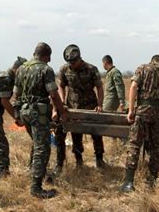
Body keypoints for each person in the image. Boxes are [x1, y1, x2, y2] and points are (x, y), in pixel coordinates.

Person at [120, 55, 159, 192]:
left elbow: (133, 87)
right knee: (156, 148)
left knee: (134, 145)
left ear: (152, 61)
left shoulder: (142, 69)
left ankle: (129, 182)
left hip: (142, 113)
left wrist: (131, 110)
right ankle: (152, 182)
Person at [14, 42, 67, 199]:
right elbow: (53, 93)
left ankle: (33, 170)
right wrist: (62, 111)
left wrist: (17, 115)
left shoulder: (21, 69)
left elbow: (16, 94)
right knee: (42, 148)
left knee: (36, 144)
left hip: (24, 111)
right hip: (38, 113)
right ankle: (36, 187)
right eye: (49, 57)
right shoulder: (45, 69)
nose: (50, 60)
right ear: (46, 55)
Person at [54, 44, 105, 174]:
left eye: (74, 62)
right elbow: (61, 86)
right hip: (73, 106)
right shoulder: (65, 69)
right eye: (69, 62)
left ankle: (99, 159)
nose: (72, 64)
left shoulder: (91, 69)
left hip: (90, 107)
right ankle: (79, 160)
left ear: (79, 59)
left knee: (96, 134)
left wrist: (100, 104)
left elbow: (99, 87)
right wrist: (63, 101)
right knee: (76, 135)